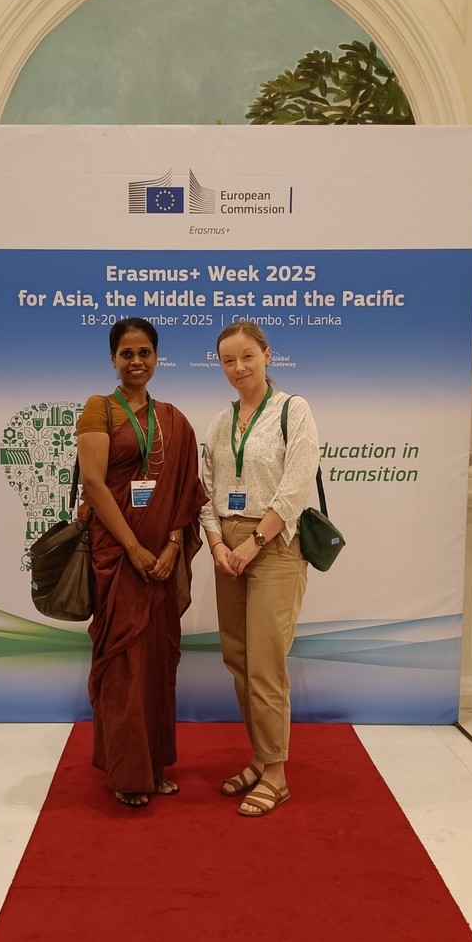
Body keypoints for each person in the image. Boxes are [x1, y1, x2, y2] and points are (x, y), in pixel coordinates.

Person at [76, 318, 207, 808]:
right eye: (127, 353)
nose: (136, 361)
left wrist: (172, 546)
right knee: (124, 663)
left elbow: (187, 493)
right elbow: (94, 483)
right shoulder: (100, 408)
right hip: (119, 556)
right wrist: (133, 548)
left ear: (156, 357)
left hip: (161, 563)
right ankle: (127, 771)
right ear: (113, 359)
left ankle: (153, 765)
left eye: (145, 352)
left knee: (156, 662)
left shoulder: (173, 419)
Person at [200, 322, 319, 818]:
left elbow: (296, 486)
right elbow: (205, 488)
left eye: (247, 356)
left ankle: (276, 775)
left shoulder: (294, 410)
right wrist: (215, 543)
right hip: (227, 546)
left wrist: (253, 542)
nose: (239, 368)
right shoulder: (218, 423)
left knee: (266, 663)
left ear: (268, 355)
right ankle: (260, 757)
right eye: (228, 360)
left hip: (273, 544)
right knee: (239, 659)